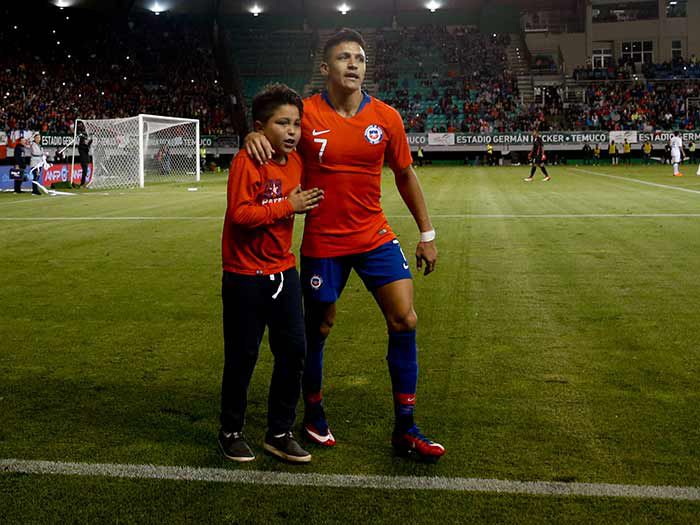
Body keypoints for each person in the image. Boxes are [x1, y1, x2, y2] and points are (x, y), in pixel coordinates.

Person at [244, 29, 444, 461]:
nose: (353, 64)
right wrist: (251, 137)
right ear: (325, 68)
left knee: (405, 319)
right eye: (343, 58)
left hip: (373, 235)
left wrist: (427, 233)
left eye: (360, 57)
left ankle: (405, 429)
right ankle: (313, 411)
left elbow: (405, 174)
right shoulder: (306, 114)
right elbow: (273, 133)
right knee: (318, 329)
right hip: (324, 242)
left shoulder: (386, 117)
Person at [219, 84, 325, 463]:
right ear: (262, 127)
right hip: (245, 276)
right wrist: (288, 205)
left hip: (284, 273)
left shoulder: (296, 160)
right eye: (283, 123)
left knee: (294, 352)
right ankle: (230, 430)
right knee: (243, 357)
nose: (293, 131)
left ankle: (279, 432)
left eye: (297, 123)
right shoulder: (247, 161)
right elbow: (241, 215)